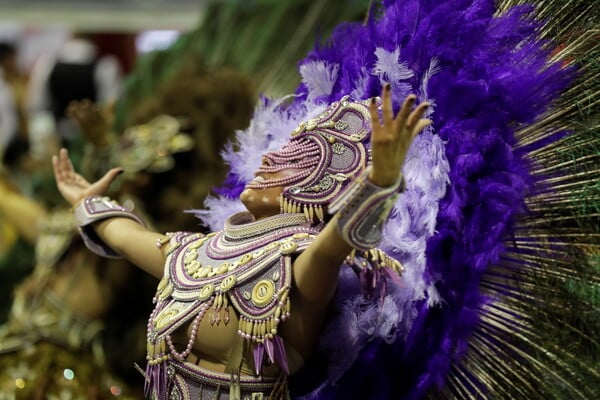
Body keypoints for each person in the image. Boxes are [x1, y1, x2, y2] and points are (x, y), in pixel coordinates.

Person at [52, 86, 429, 399]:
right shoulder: (196, 255)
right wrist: (86, 201)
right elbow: (125, 235)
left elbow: (336, 243)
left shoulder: (298, 269)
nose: (266, 160)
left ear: (315, 187)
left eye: (287, 160)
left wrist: (379, 183)